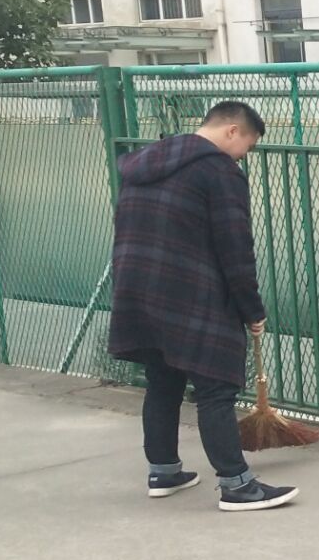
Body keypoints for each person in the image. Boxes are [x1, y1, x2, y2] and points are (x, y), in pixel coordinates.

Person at [108, 100, 299, 513]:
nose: (244, 155)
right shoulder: (218, 171)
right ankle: (237, 486)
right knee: (216, 387)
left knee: (162, 380)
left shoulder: (145, 162)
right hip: (192, 294)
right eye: (248, 145)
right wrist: (252, 309)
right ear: (232, 131)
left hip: (138, 290)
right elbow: (235, 248)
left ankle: (163, 471)